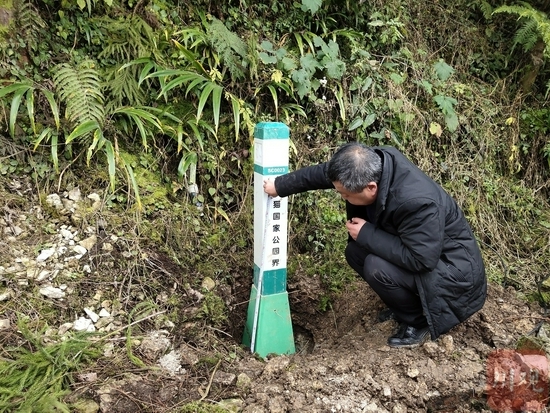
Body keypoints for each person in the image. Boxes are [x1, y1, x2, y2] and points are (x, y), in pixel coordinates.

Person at [263, 142, 487, 348]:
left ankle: (419, 321)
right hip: (427, 255)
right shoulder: (370, 165)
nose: (343, 198)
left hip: (454, 274)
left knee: (375, 266)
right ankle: (406, 306)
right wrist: (280, 186)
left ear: (370, 188)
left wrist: (367, 233)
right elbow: (325, 174)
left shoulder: (418, 203)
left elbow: (421, 259)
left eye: (346, 195)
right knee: (355, 252)